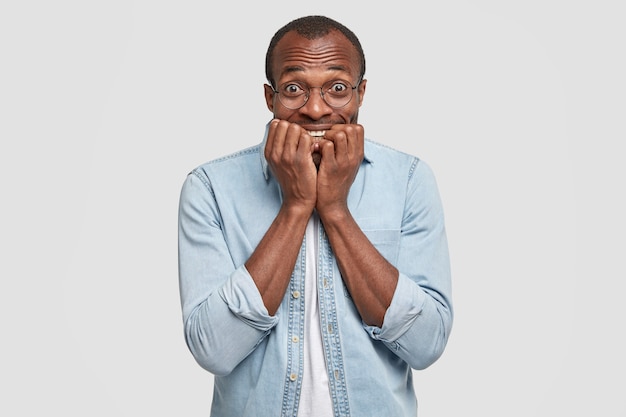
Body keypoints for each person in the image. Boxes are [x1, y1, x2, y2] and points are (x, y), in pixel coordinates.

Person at [178, 15, 453, 417]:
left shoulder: (409, 180)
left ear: (361, 94)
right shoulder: (209, 187)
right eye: (294, 89)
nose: (316, 109)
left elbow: (426, 344)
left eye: (337, 89)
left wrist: (335, 210)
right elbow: (214, 350)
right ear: (270, 98)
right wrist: (295, 206)